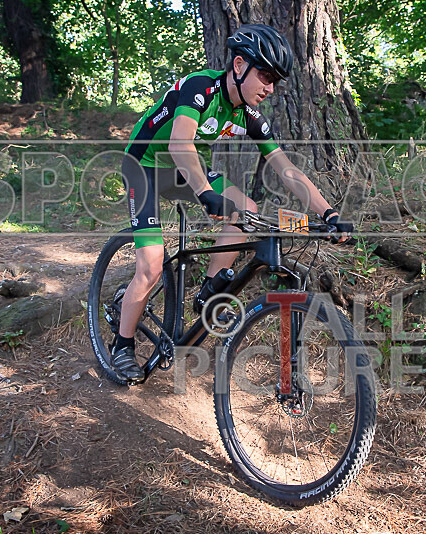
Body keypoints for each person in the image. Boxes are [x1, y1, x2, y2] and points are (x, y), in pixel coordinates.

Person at [112, 24, 353, 384]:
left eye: (276, 81)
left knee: (248, 209)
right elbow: (180, 144)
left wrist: (327, 212)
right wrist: (206, 193)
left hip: (184, 168)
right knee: (150, 266)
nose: (270, 88)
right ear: (238, 65)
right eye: (265, 76)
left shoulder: (251, 117)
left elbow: (285, 169)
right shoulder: (200, 88)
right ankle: (122, 345)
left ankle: (209, 293)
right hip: (144, 165)